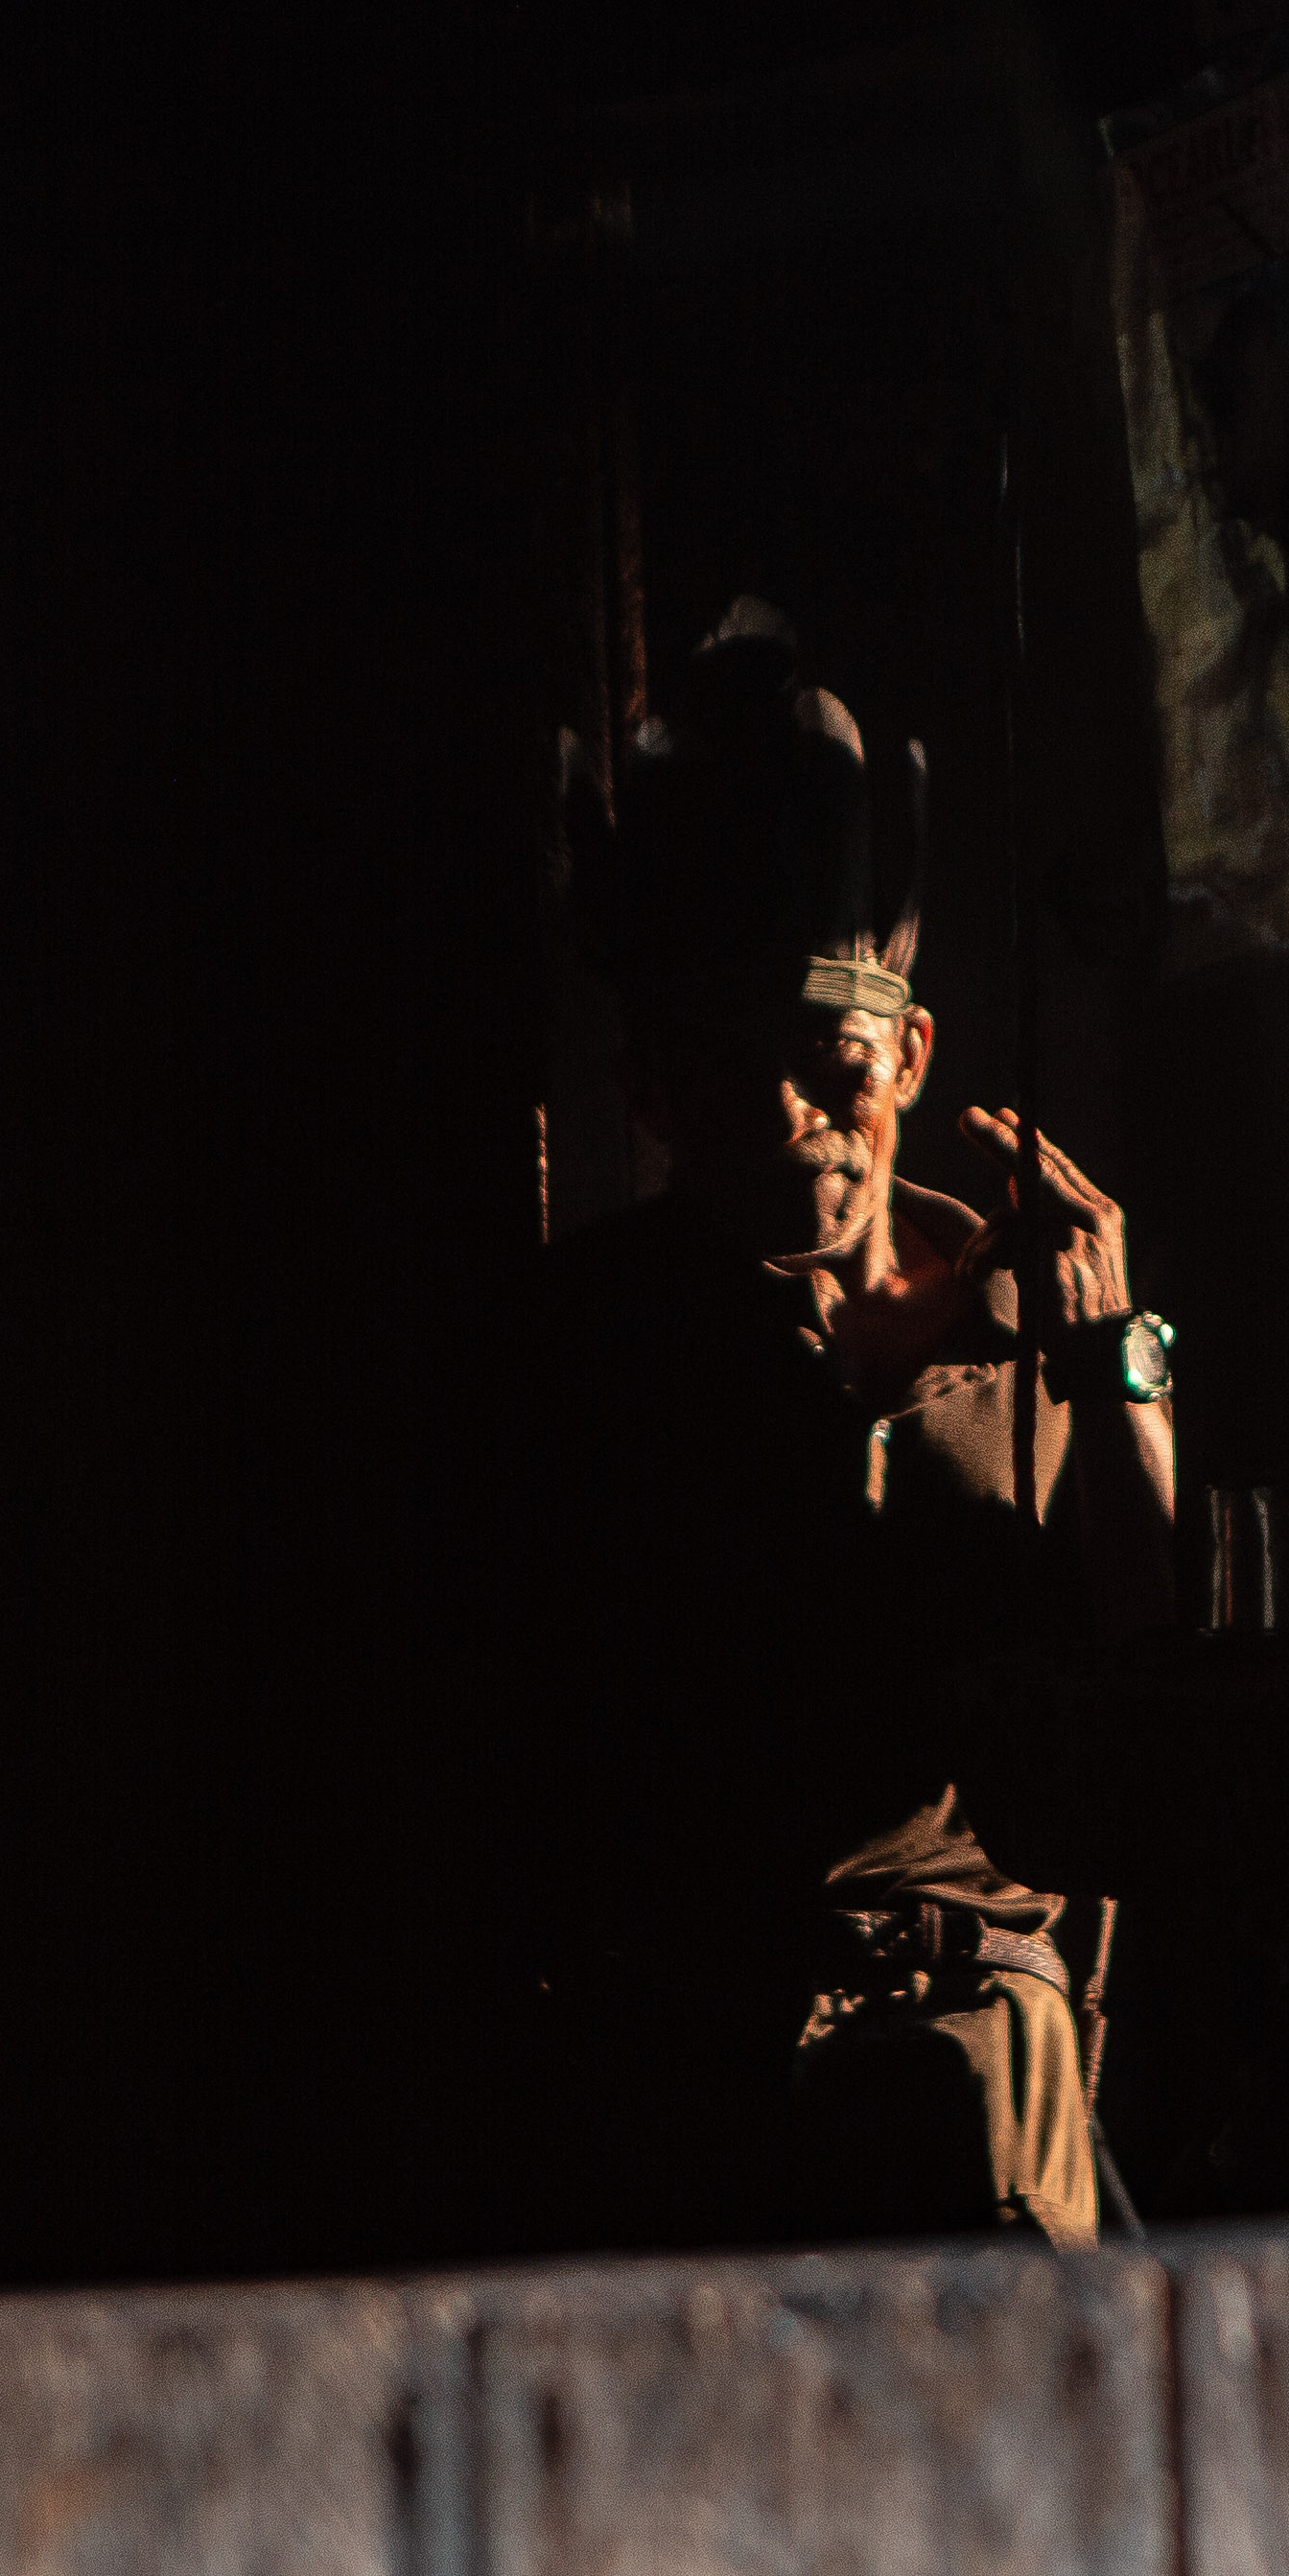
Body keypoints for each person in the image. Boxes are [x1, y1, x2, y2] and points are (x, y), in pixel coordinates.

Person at [525, 608, 1184, 2250]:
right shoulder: (591, 1350)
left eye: (831, 1062)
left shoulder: (1036, 1323)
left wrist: (1114, 1354)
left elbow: (1150, 1648)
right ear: (652, 1097)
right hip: (704, 2097)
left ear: (912, 1052)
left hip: (987, 2084)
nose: (790, 1118)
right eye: (725, 1074)